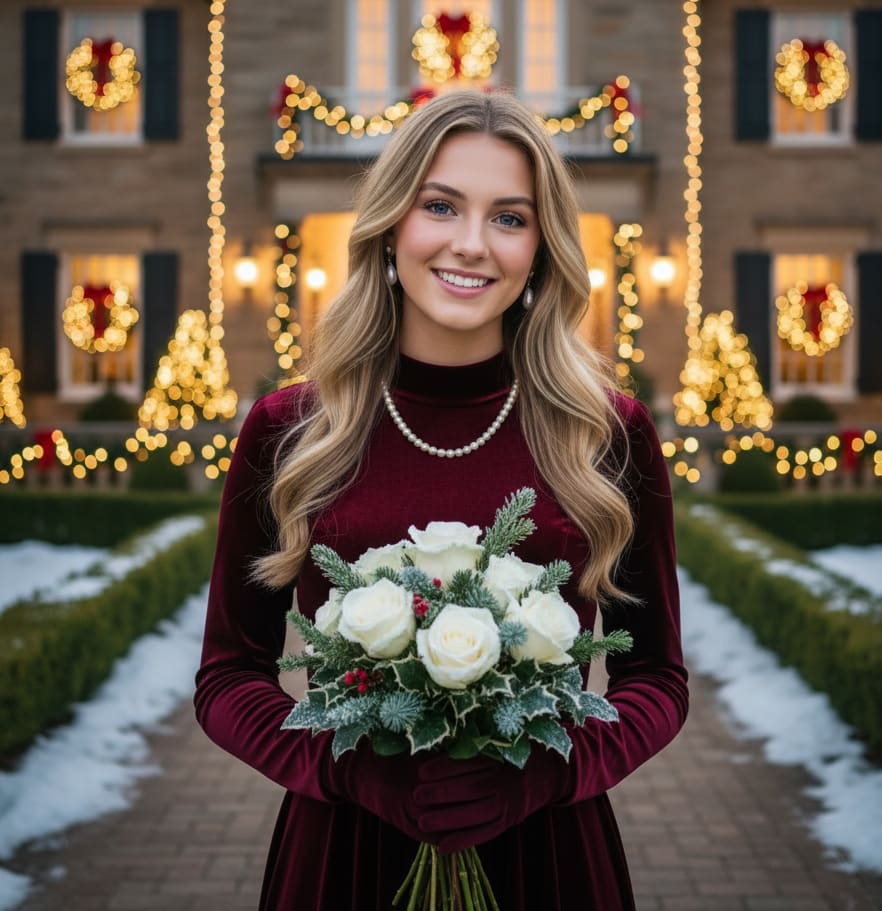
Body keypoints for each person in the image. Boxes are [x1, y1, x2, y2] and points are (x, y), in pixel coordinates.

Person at [195, 89, 688, 910]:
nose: (471, 244)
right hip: (344, 853)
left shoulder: (610, 433)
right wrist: (345, 765)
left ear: (541, 245)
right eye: (440, 205)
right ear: (392, 223)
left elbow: (657, 680)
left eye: (509, 217)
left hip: (550, 856)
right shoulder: (291, 427)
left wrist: (548, 773)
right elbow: (227, 677)